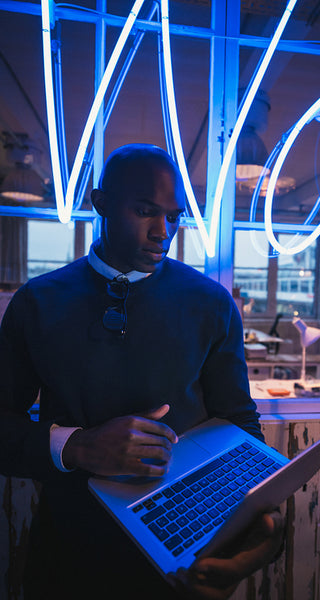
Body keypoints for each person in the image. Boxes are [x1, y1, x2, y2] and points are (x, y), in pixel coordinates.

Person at [0, 144, 284, 599]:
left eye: (174, 216)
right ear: (101, 204)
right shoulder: (37, 303)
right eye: (146, 211)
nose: (164, 232)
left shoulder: (211, 303)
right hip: (70, 555)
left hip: (188, 553)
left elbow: (239, 421)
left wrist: (257, 520)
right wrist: (76, 446)